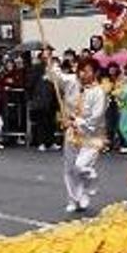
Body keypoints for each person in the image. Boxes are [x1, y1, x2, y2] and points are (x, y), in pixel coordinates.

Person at [47, 57, 108, 212]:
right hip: (72, 133)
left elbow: (96, 117)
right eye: (80, 70)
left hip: (92, 136)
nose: (82, 74)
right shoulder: (72, 81)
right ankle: (74, 200)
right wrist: (51, 65)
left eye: (87, 71)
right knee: (69, 168)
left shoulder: (99, 92)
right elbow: (57, 77)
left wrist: (77, 122)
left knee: (81, 166)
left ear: (96, 73)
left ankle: (88, 186)